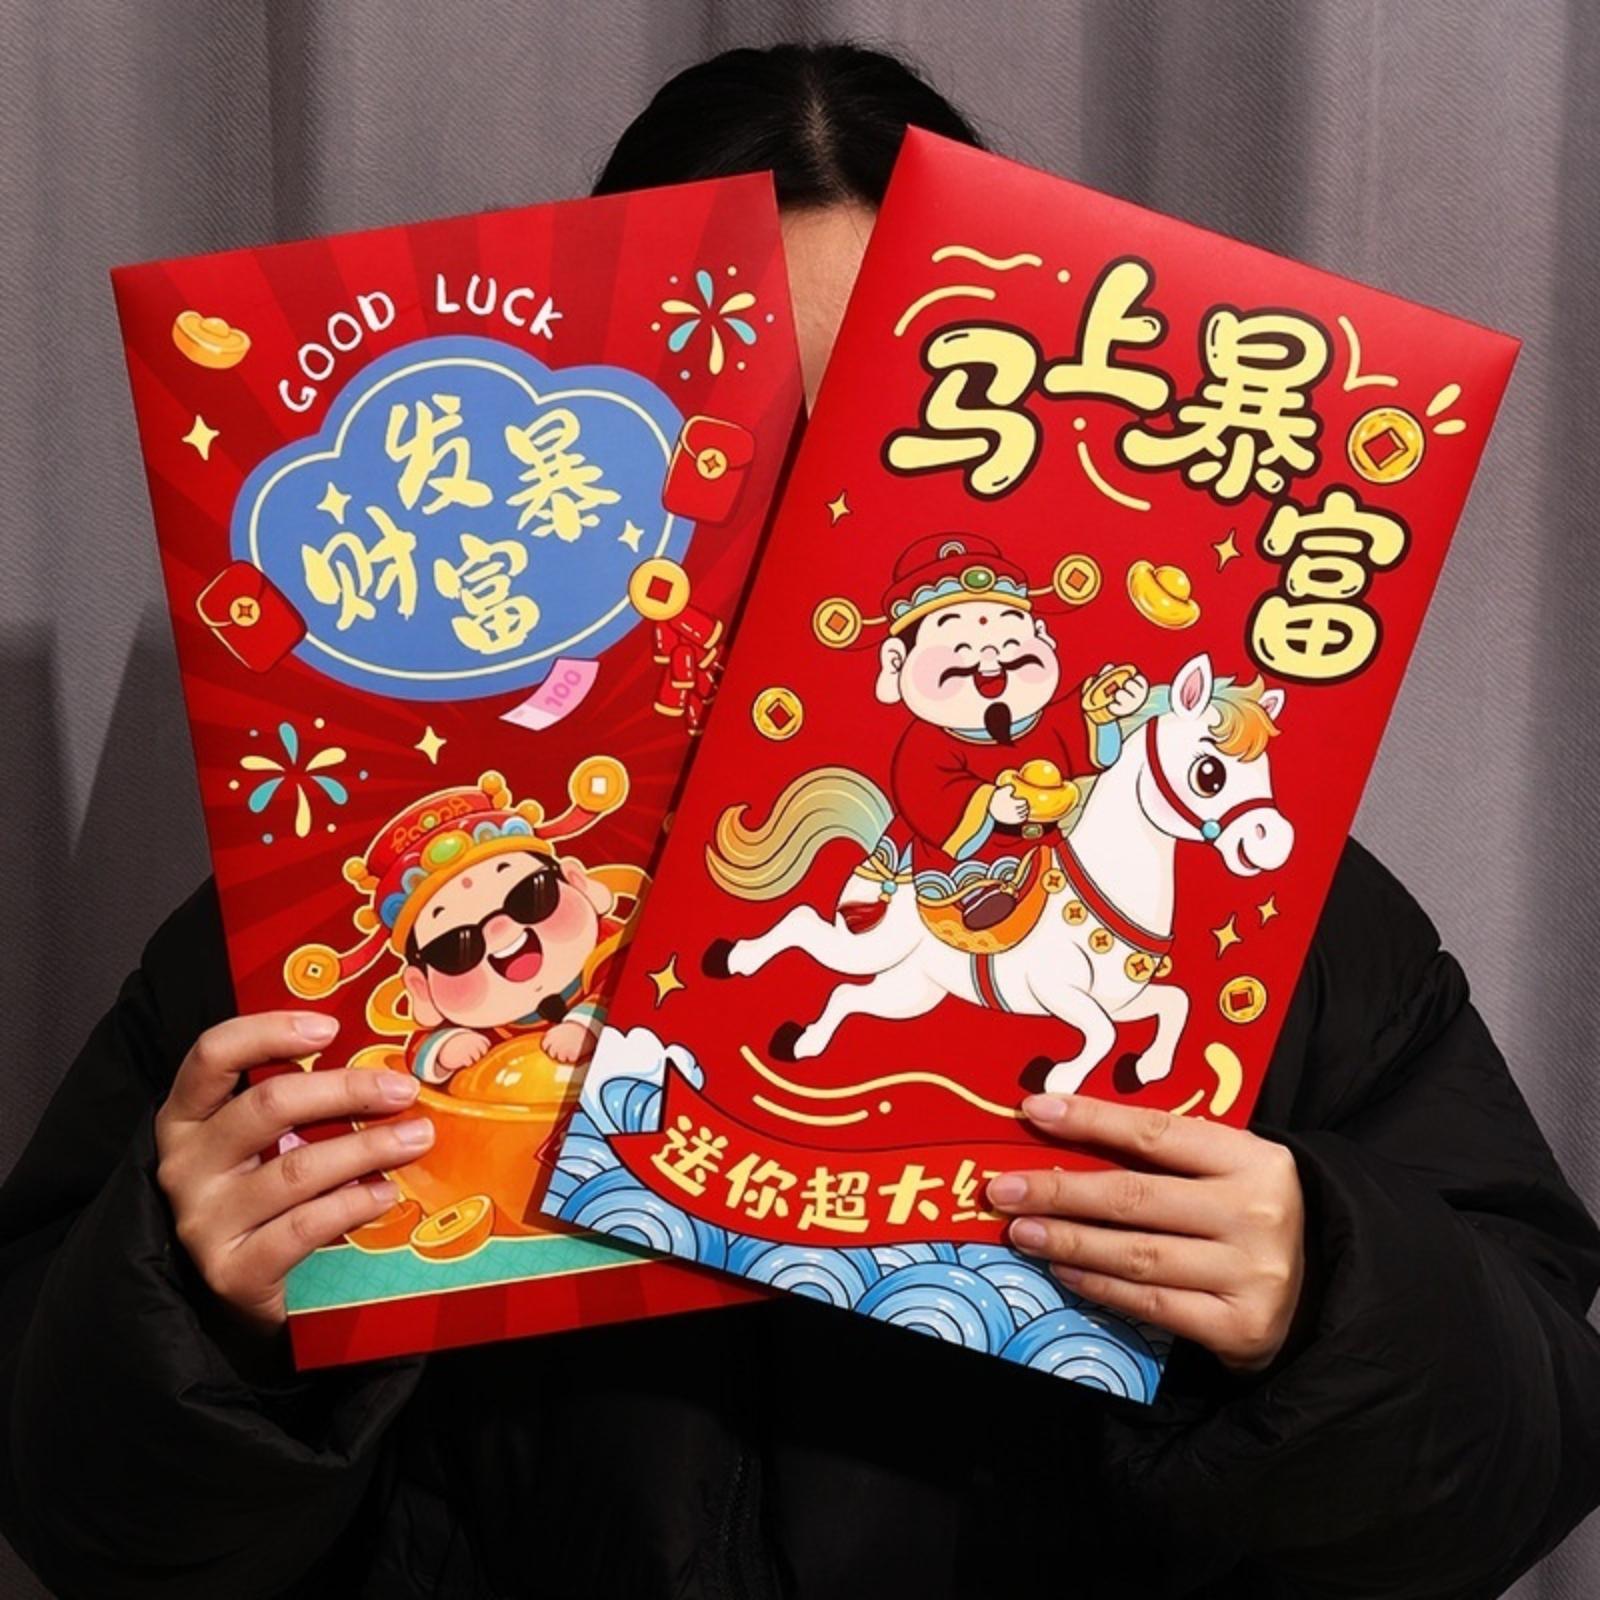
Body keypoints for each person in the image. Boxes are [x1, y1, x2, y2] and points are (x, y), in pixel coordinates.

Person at [3, 40, 1598, 1600]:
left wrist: (1328, 1295)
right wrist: (192, 1313)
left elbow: (1519, 1455)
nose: (812, 519)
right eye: (749, 446)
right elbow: (73, 1510)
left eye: (873, 439)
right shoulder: (337, 921)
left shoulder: (1251, 906)